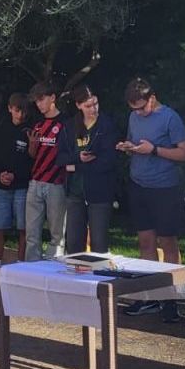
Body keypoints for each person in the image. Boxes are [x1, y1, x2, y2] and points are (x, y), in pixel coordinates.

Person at [118, 77, 185, 320]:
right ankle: (149, 297)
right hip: (139, 185)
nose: (138, 113)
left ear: (152, 98)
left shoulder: (169, 117)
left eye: (141, 107)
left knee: (167, 242)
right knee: (145, 243)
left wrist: (155, 150)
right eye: (133, 109)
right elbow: (137, 142)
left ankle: (172, 299)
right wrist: (129, 147)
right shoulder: (134, 117)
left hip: (164, 188)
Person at [0, 93, 32, 290]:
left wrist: (16, 176)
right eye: (17, 110)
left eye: (23, 111)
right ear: (10, 108)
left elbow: (30, 159)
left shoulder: (30, 129)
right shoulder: (0, 128)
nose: (20, 115)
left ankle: (20, 270)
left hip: (22, 184)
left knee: (23, 227)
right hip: (1, 185)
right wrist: (0, 175)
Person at [24, 81, 76, 261]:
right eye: (36, 101)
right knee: (32, 233)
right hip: (36, 181)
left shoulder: (66, 123)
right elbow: (32, 154)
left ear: (53, 98)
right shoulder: (37, 123)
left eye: (42, 99)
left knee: (57, 235)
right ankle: (32, 272)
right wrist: (32, 145)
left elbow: (70, 153)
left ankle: (53, 272)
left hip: (56, 184)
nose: (39, 104)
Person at [64, 86, 119, 255]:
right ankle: (74, 279)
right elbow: (61, 157)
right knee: (73, 242)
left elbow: (108, 160)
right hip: (75, 192)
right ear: (78, 105)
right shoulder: (70, 126)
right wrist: (77, 160)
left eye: (95, 103)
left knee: (99, 243)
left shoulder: (106, 125)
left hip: (100, 191)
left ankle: (100, 279)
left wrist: (76, 166)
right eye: (88, 106)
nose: (93, 109)